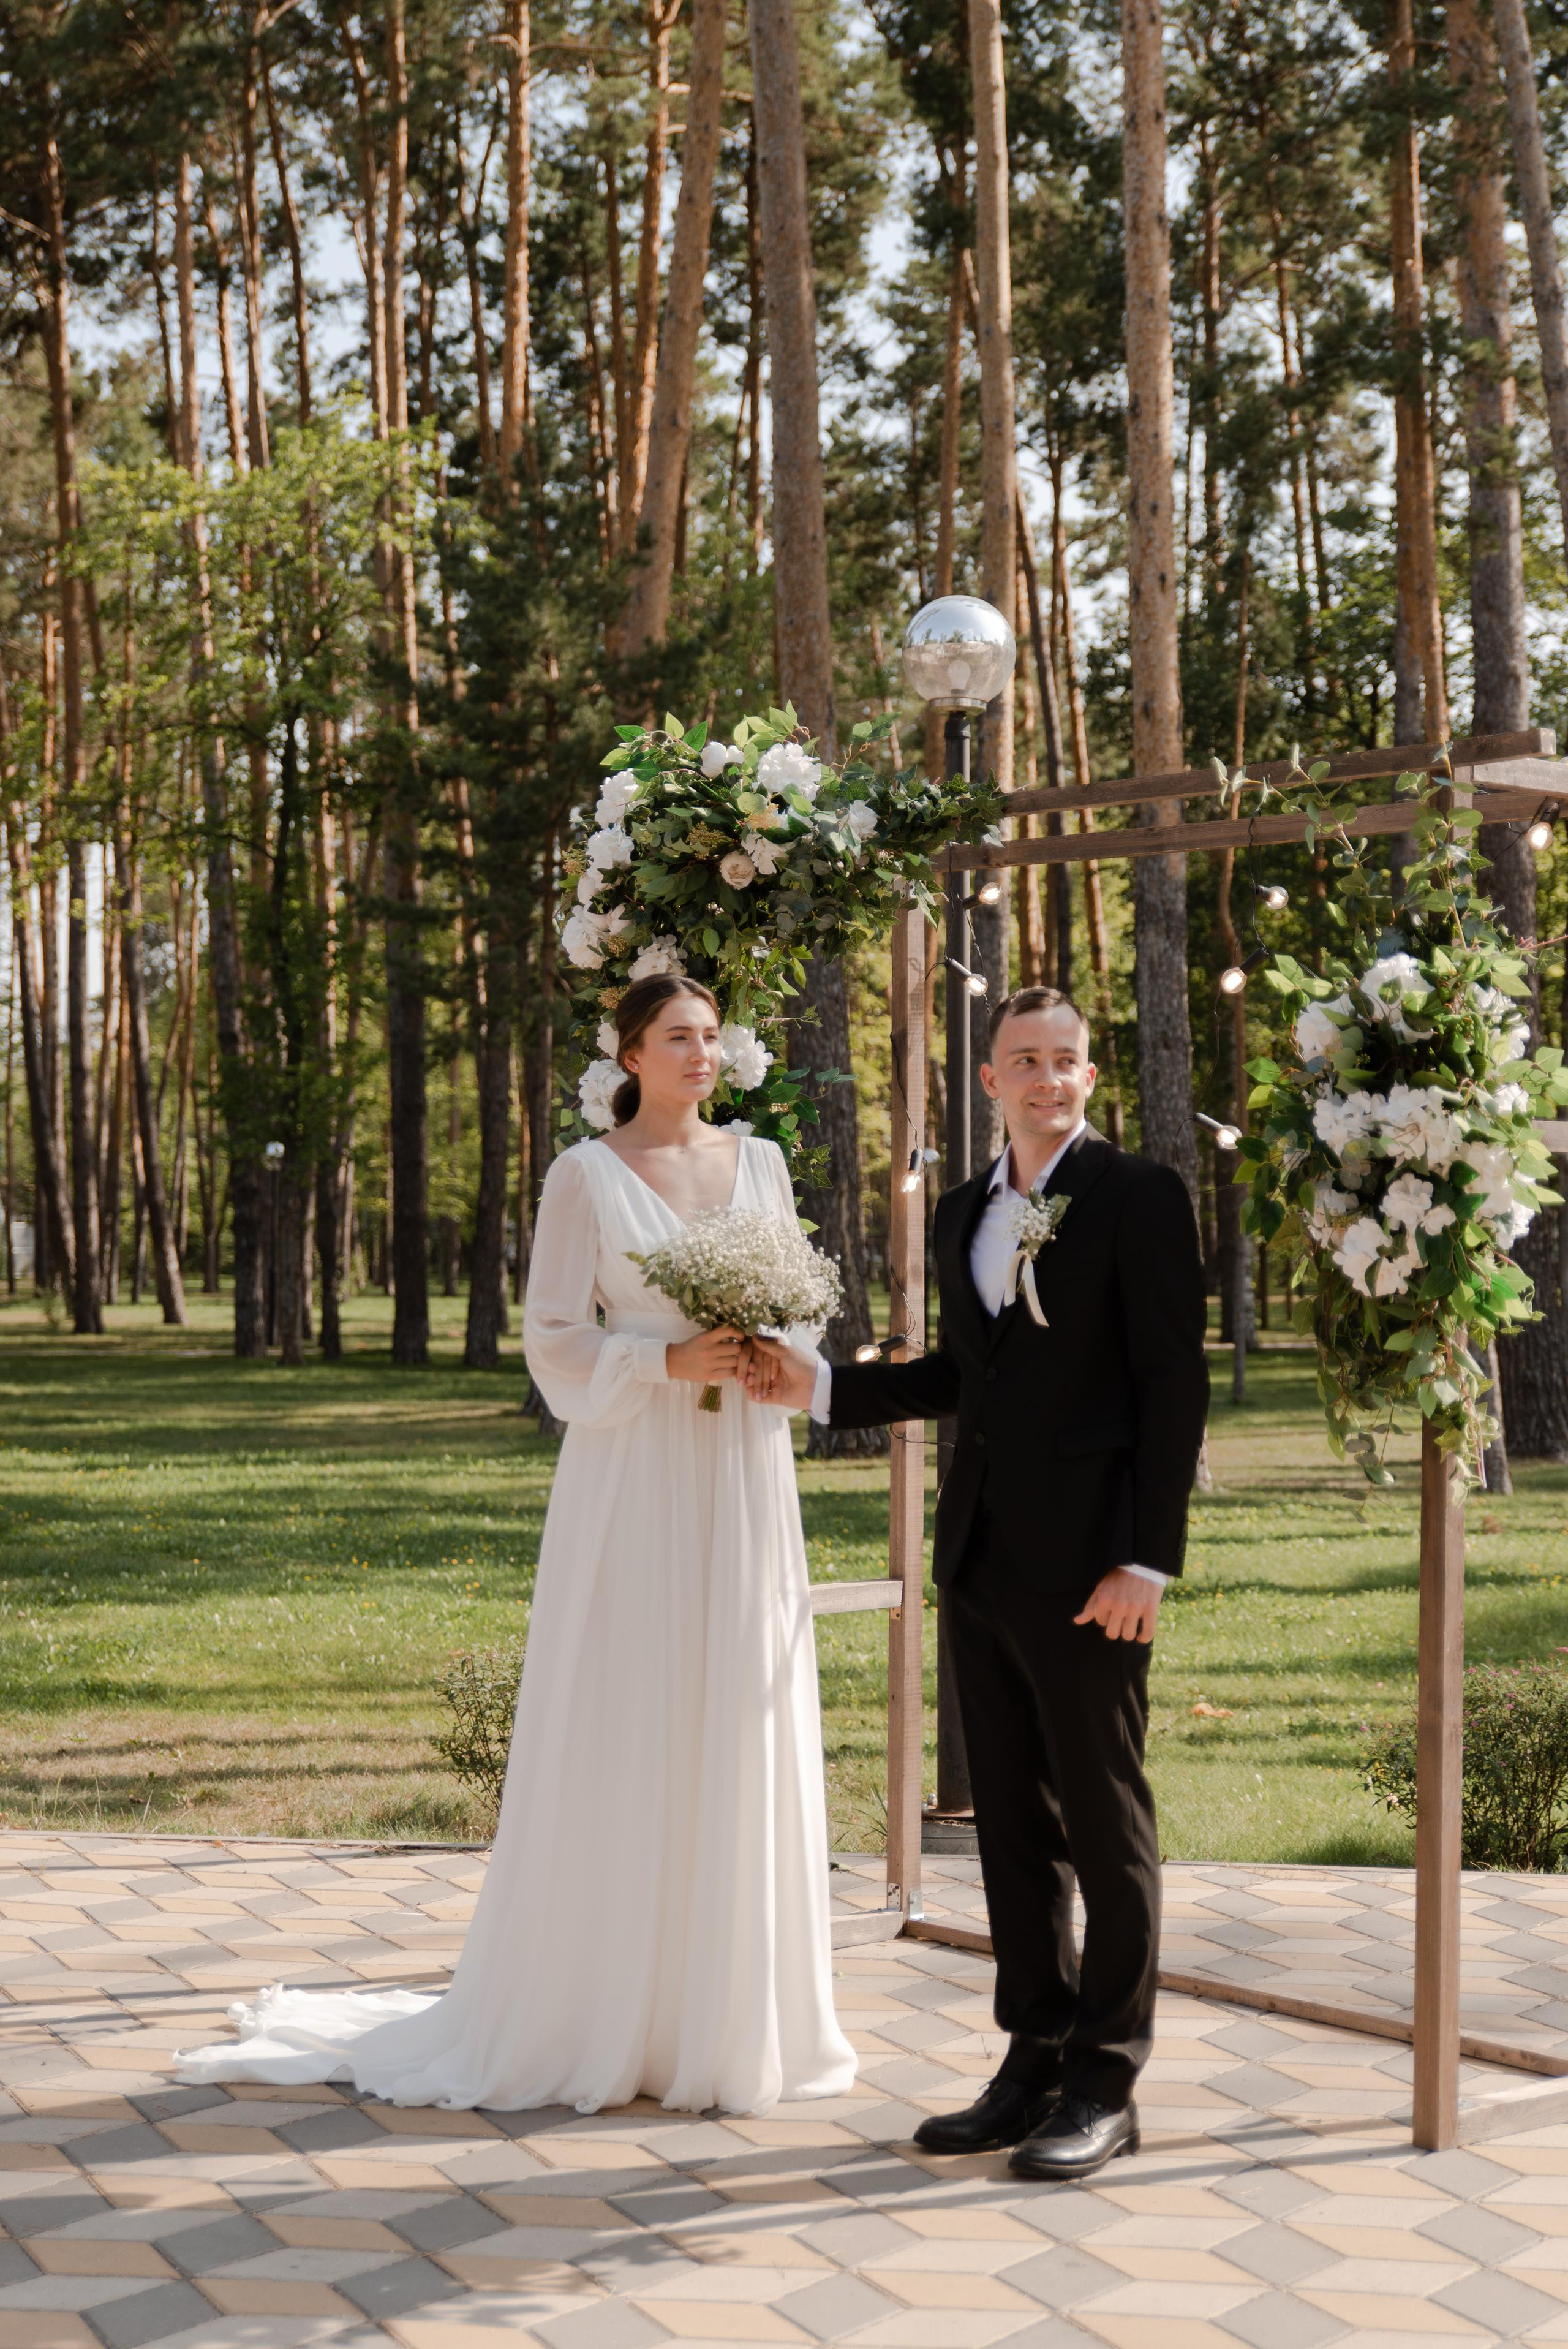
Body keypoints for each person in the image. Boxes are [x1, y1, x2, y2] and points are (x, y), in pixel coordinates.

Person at [177, 974, 855, 2117]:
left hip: (741, 1469)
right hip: (632, 1474)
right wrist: (662, 1363)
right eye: (677, 1037)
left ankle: (725, 2018)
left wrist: (763, 1348)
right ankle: (600, 2007)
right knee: (629, 1704)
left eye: (710, 1035)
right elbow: (551, 1341)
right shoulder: (584, 1175)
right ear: (630, 1054)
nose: (702, 1052)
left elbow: (806, 1310)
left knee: (735, 1700)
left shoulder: (764, 1164)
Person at [747, 986, 1207, 2179]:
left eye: (1067, 1061)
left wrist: (1146, 1558)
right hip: (982, 1563)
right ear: (989, 1080)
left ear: (1089, 1077)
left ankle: (1107, 2079)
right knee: (1009, 1825)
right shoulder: (962, 1212)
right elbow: (969, 1374)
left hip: (1096, 1572)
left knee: (1105, 1826)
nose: (1048, 1080)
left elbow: (1171, 1390)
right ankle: (1031, 2056)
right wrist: (825, 1390)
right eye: (1025, 1062)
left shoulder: (1139, 1199)